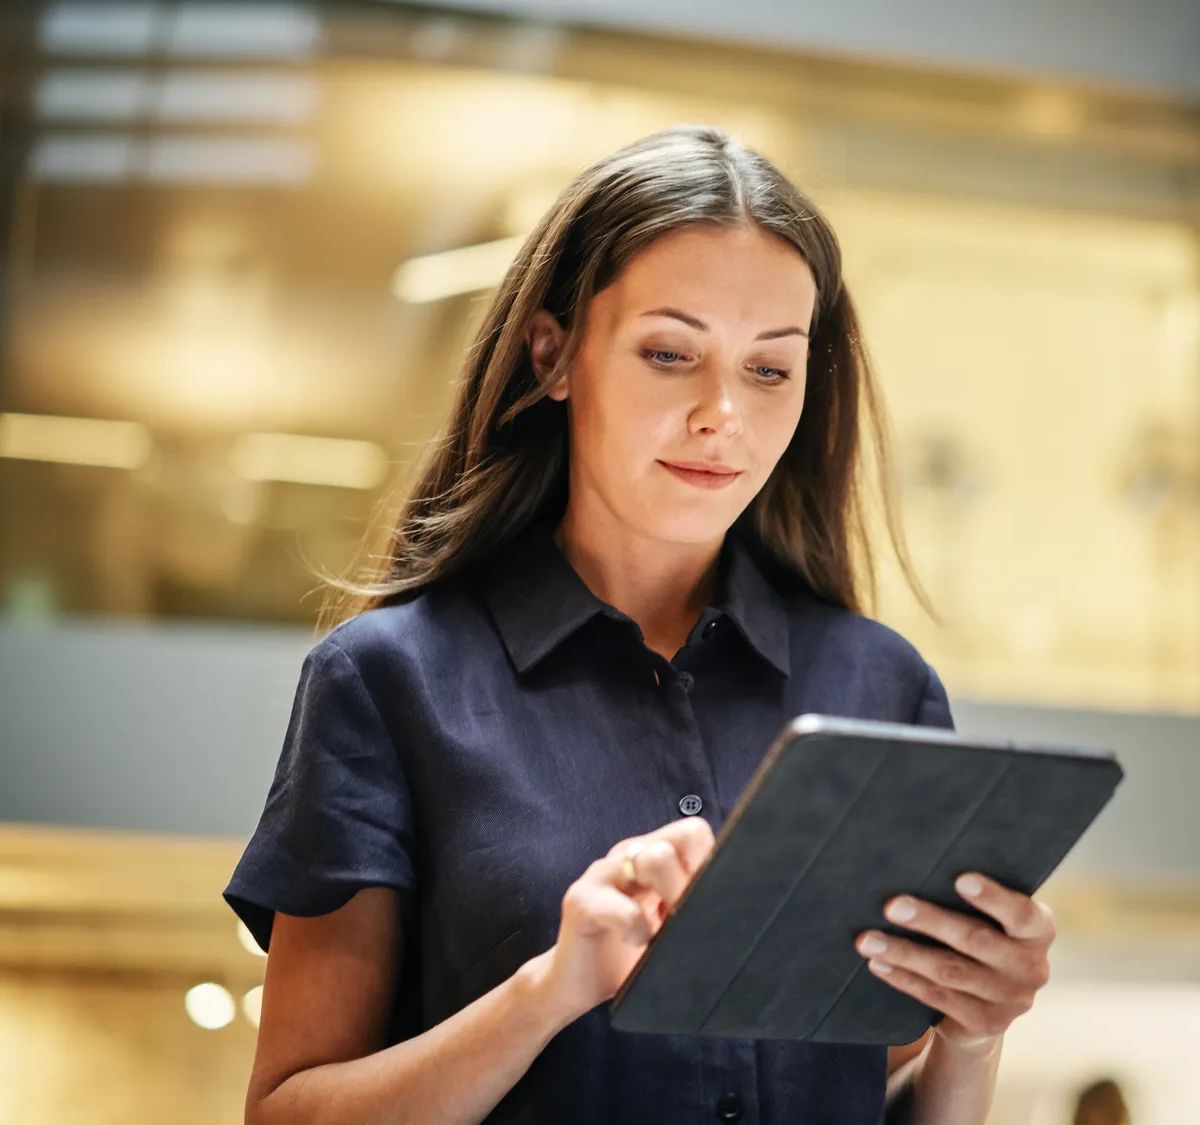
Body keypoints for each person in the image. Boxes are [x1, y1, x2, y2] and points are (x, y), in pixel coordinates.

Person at [223, 123, 1058, 1124]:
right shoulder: (392, 681)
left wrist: (974, 1032)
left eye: (769, 369)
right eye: (670, 353)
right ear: (553, 353)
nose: (722, 415)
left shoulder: (881, 689)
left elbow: (872, 1098)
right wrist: (550, 991)